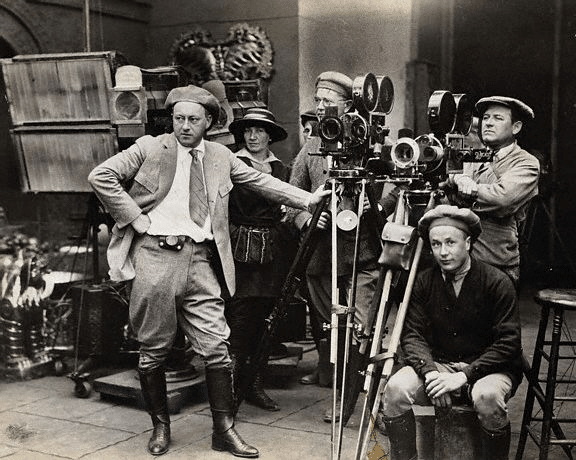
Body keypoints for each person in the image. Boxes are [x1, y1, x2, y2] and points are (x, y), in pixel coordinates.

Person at [88, 85, 328, 458]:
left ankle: (223, 430)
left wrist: (308, 199)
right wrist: (136, 219)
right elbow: (101, 177)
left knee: (217, 346)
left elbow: (263, 183)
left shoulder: (220, 156)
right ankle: (161, 427)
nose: (184, 126)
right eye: (179, 118)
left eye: (193, 120)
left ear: (210, 122)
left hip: (201, 261)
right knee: (154, 350)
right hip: (156, 257)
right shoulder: (151, 147)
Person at [288, 71, 398, 423]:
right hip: (321, 258)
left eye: (327, 102)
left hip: (363, 255)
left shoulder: (369, 142)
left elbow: (397, 184)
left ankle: (356, 402)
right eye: (317, 101)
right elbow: (294, 197)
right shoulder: (311, 147)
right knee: (331, 327)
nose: (320, 108)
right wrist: (307, 217)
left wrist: (376, 206)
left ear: (348, 104)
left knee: (361, 331)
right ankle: (345, 390)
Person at [383, 204, 523, 460]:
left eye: (451, 242)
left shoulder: (497, 282)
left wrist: (465, 376)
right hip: (439, 365)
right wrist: (432, 374)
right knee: (395, 390)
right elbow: (412, 335)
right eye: (436, 244)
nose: (443, 252)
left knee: (487, 397)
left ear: (468, 243)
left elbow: (508, 343)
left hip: (488, 367)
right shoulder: (424, 282)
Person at [225, 107, 295, 412]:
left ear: (270, 136)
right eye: (248, 131)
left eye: (260, 131)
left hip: (272, 252)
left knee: (267, 319)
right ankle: (228, 390)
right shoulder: (232, 163)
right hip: (239, 249)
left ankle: (254, 385)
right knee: (240, 318)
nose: (253, 137)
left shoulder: (283, 170)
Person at [445, 96, 540, 287]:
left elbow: (502, 198)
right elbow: (444, 180)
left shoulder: (526, 163)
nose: (488, 123)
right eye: (486, 117)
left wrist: (464, 189)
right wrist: (456, 178)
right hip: (459, 258)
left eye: (498, 118)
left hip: (495, 262)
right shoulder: (472, 154)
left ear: (516, 127)